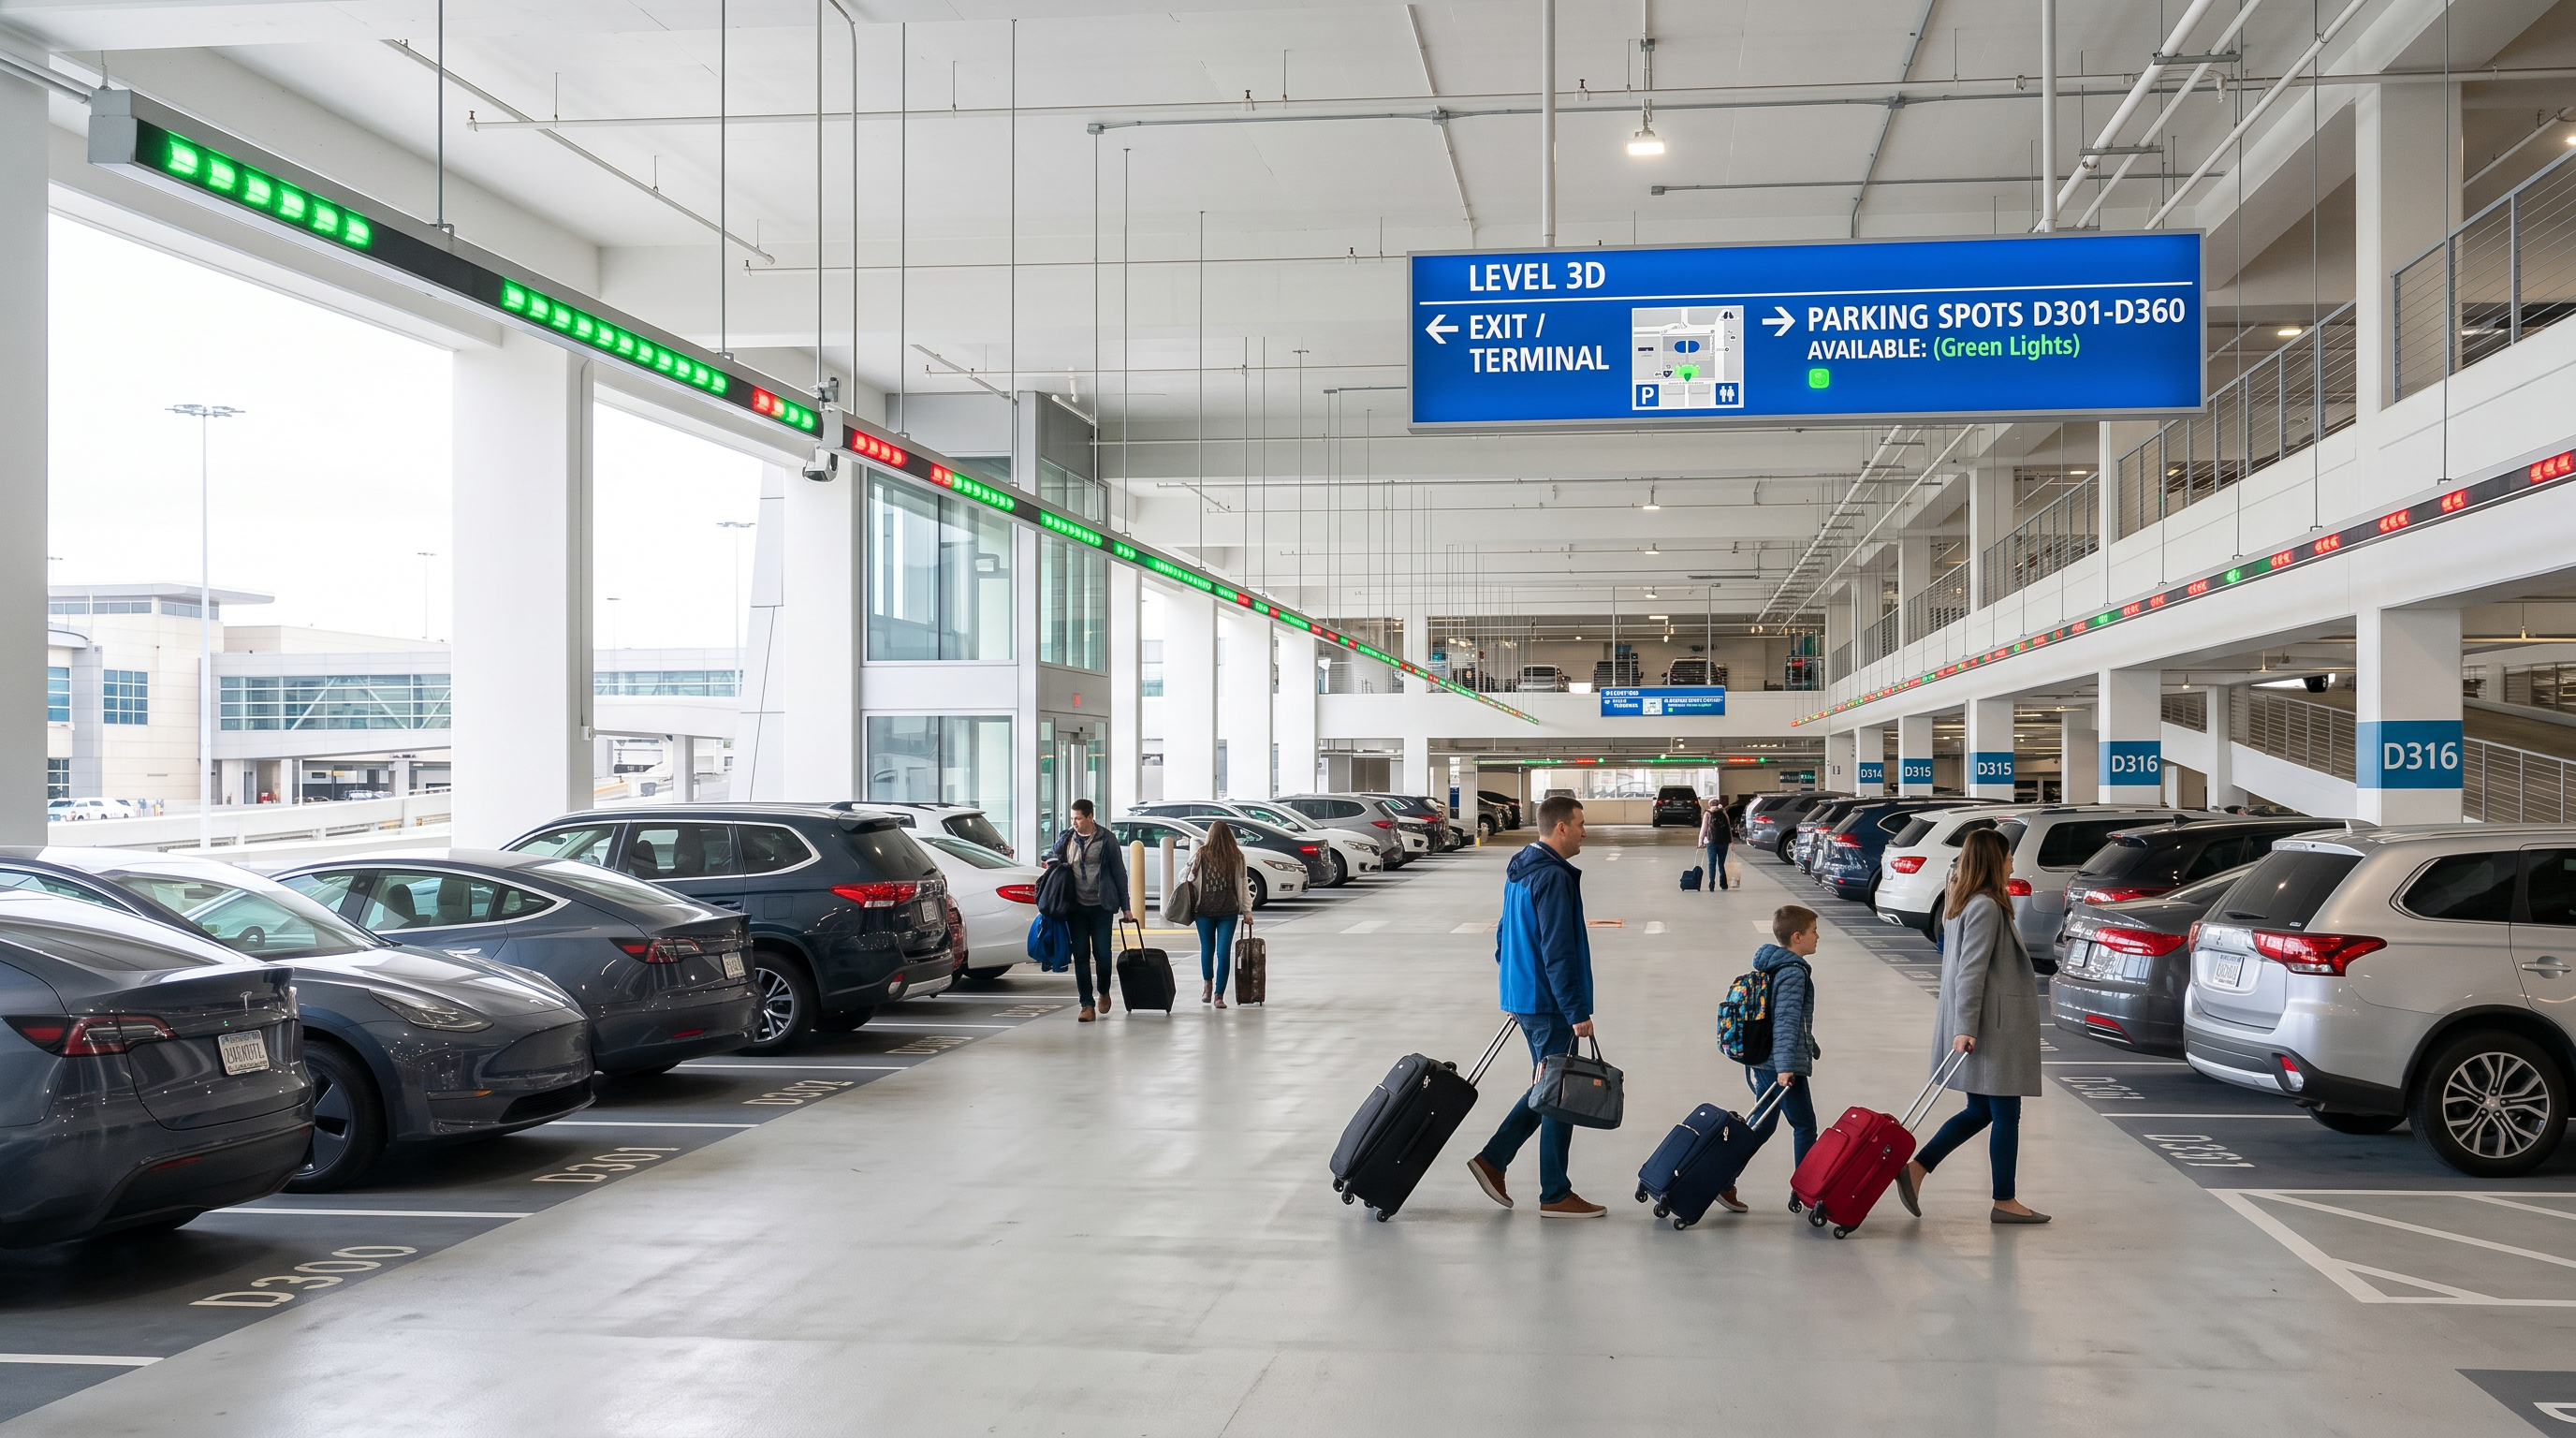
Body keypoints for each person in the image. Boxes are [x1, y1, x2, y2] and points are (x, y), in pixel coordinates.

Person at [1897, 827, 2050, 1224]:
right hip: (1990, 1026)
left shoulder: (1962, 900)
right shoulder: (1985, 906)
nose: (2013, 862)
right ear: (1993, 861)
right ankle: (2005, 1200)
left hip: (1984, 1022)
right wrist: (1965, 1026)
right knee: (2005, 1114)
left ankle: (1916, 1169)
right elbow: (1971, 971)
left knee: (1979, 1111)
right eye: (2008, 856)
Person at [1466, 795, 1605, 1218]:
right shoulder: (1553, 877)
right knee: (1560, 1092)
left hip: (1526, 996)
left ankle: (1494, 1160)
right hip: (1549, 1004)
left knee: (1548, 1086)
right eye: (1580, 824)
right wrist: (1576, 1010)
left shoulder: (1521, 869)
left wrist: (1514, 982)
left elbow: (1504, 934)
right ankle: (1554, 1193)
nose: (1585, 831)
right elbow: (1558, 951)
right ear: (1560, 828)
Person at [1719, 903, 1821, 1213]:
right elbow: (1786, 1022)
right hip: (1779, 1064)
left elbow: (1785, 1018)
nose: (1819, 937)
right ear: (1797, 936)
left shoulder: (1772, 965)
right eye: (1815, 931)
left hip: (1762, 1060)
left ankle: (1721, 1179)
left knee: (1762, 1126)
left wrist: (1809, 1043)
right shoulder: (1792, 973)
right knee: (1804, 1125)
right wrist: (1787, 1067)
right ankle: (1806, 1190)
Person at [1044, 799, 1133, 1024]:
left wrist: (1126, 907)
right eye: (1072, 818)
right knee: (1081, 955)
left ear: (1090, 817)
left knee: (1102, 954)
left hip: (1102, 906)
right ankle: (1086, 1004)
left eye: (1078, 818)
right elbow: (1052, 858)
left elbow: (1120, 874)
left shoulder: (1106, 839)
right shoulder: (1067, 838)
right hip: (1075, 907)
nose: (1074, 822)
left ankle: (1103, 990)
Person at [1186, 821, 1252, 1008]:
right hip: (1227, 912)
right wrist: (1246, 912)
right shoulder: (1236, 856)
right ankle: (1218, 996)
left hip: (1205, 912)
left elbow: (1184, 876)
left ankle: (1208, 988)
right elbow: (1243, 886)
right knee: (1223, 953)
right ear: (1229, 836)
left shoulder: (1202, 853)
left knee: (1208, 949)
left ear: (1210, 835)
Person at [1697, 793, 1731, 891]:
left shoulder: (1708, 813)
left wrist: (1700, 842)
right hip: (1724, 842)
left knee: (1712, 862)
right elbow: (1728, 828)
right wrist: (1731, 842)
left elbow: (1704, 829)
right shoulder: (1724, 813)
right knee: (1721, 863)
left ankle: (1711, 883)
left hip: (1711, 841)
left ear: (1710, 805)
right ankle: (1723, 884)